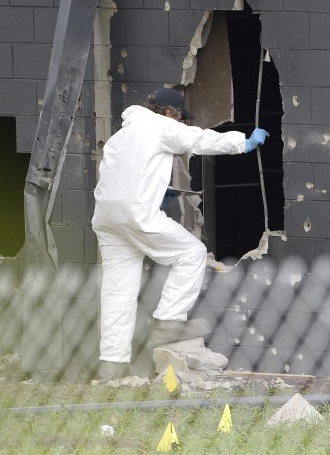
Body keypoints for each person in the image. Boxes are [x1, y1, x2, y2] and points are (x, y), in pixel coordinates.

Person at [92, 87, 269, 379]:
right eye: (180, 117)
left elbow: (122, 176)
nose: (180, 123)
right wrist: (242, 143)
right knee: (192, 252)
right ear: (170, 112)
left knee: (117, 289)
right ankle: (168, 323)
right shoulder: (160, 125)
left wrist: (156, 196)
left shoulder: (119, 136)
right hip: (137, 215)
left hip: (107, 218)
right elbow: (198, 139)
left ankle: (112, 364)